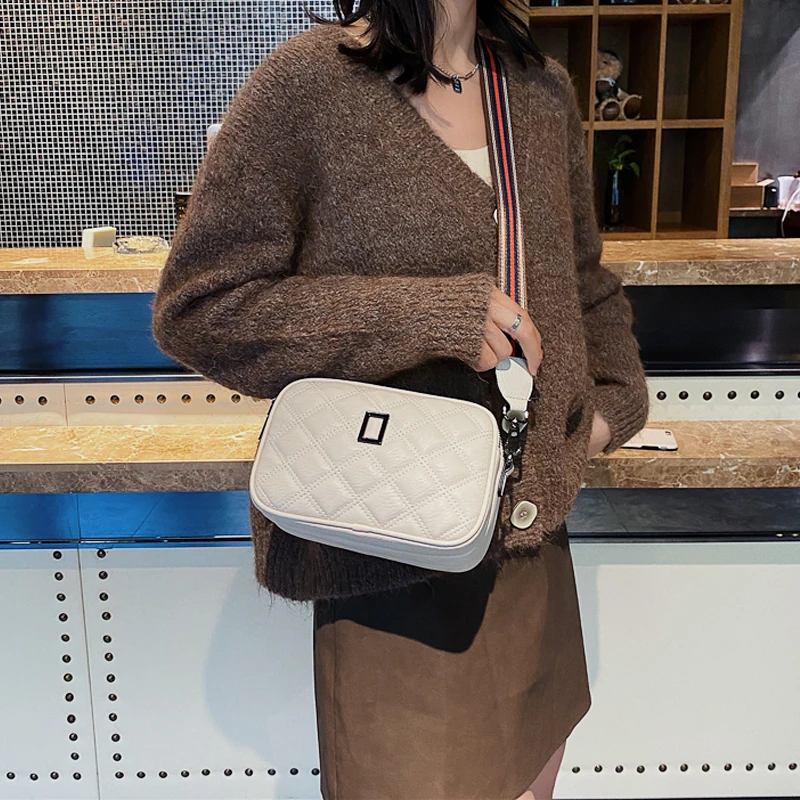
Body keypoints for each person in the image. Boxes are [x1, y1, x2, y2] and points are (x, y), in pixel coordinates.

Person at [152, 1, 650, 797]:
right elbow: (202, 309)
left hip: (530, 550)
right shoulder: (308, 86)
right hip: (386, 556)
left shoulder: (538, 89)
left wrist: (608, 409)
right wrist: (429, 317)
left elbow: (584, 281)